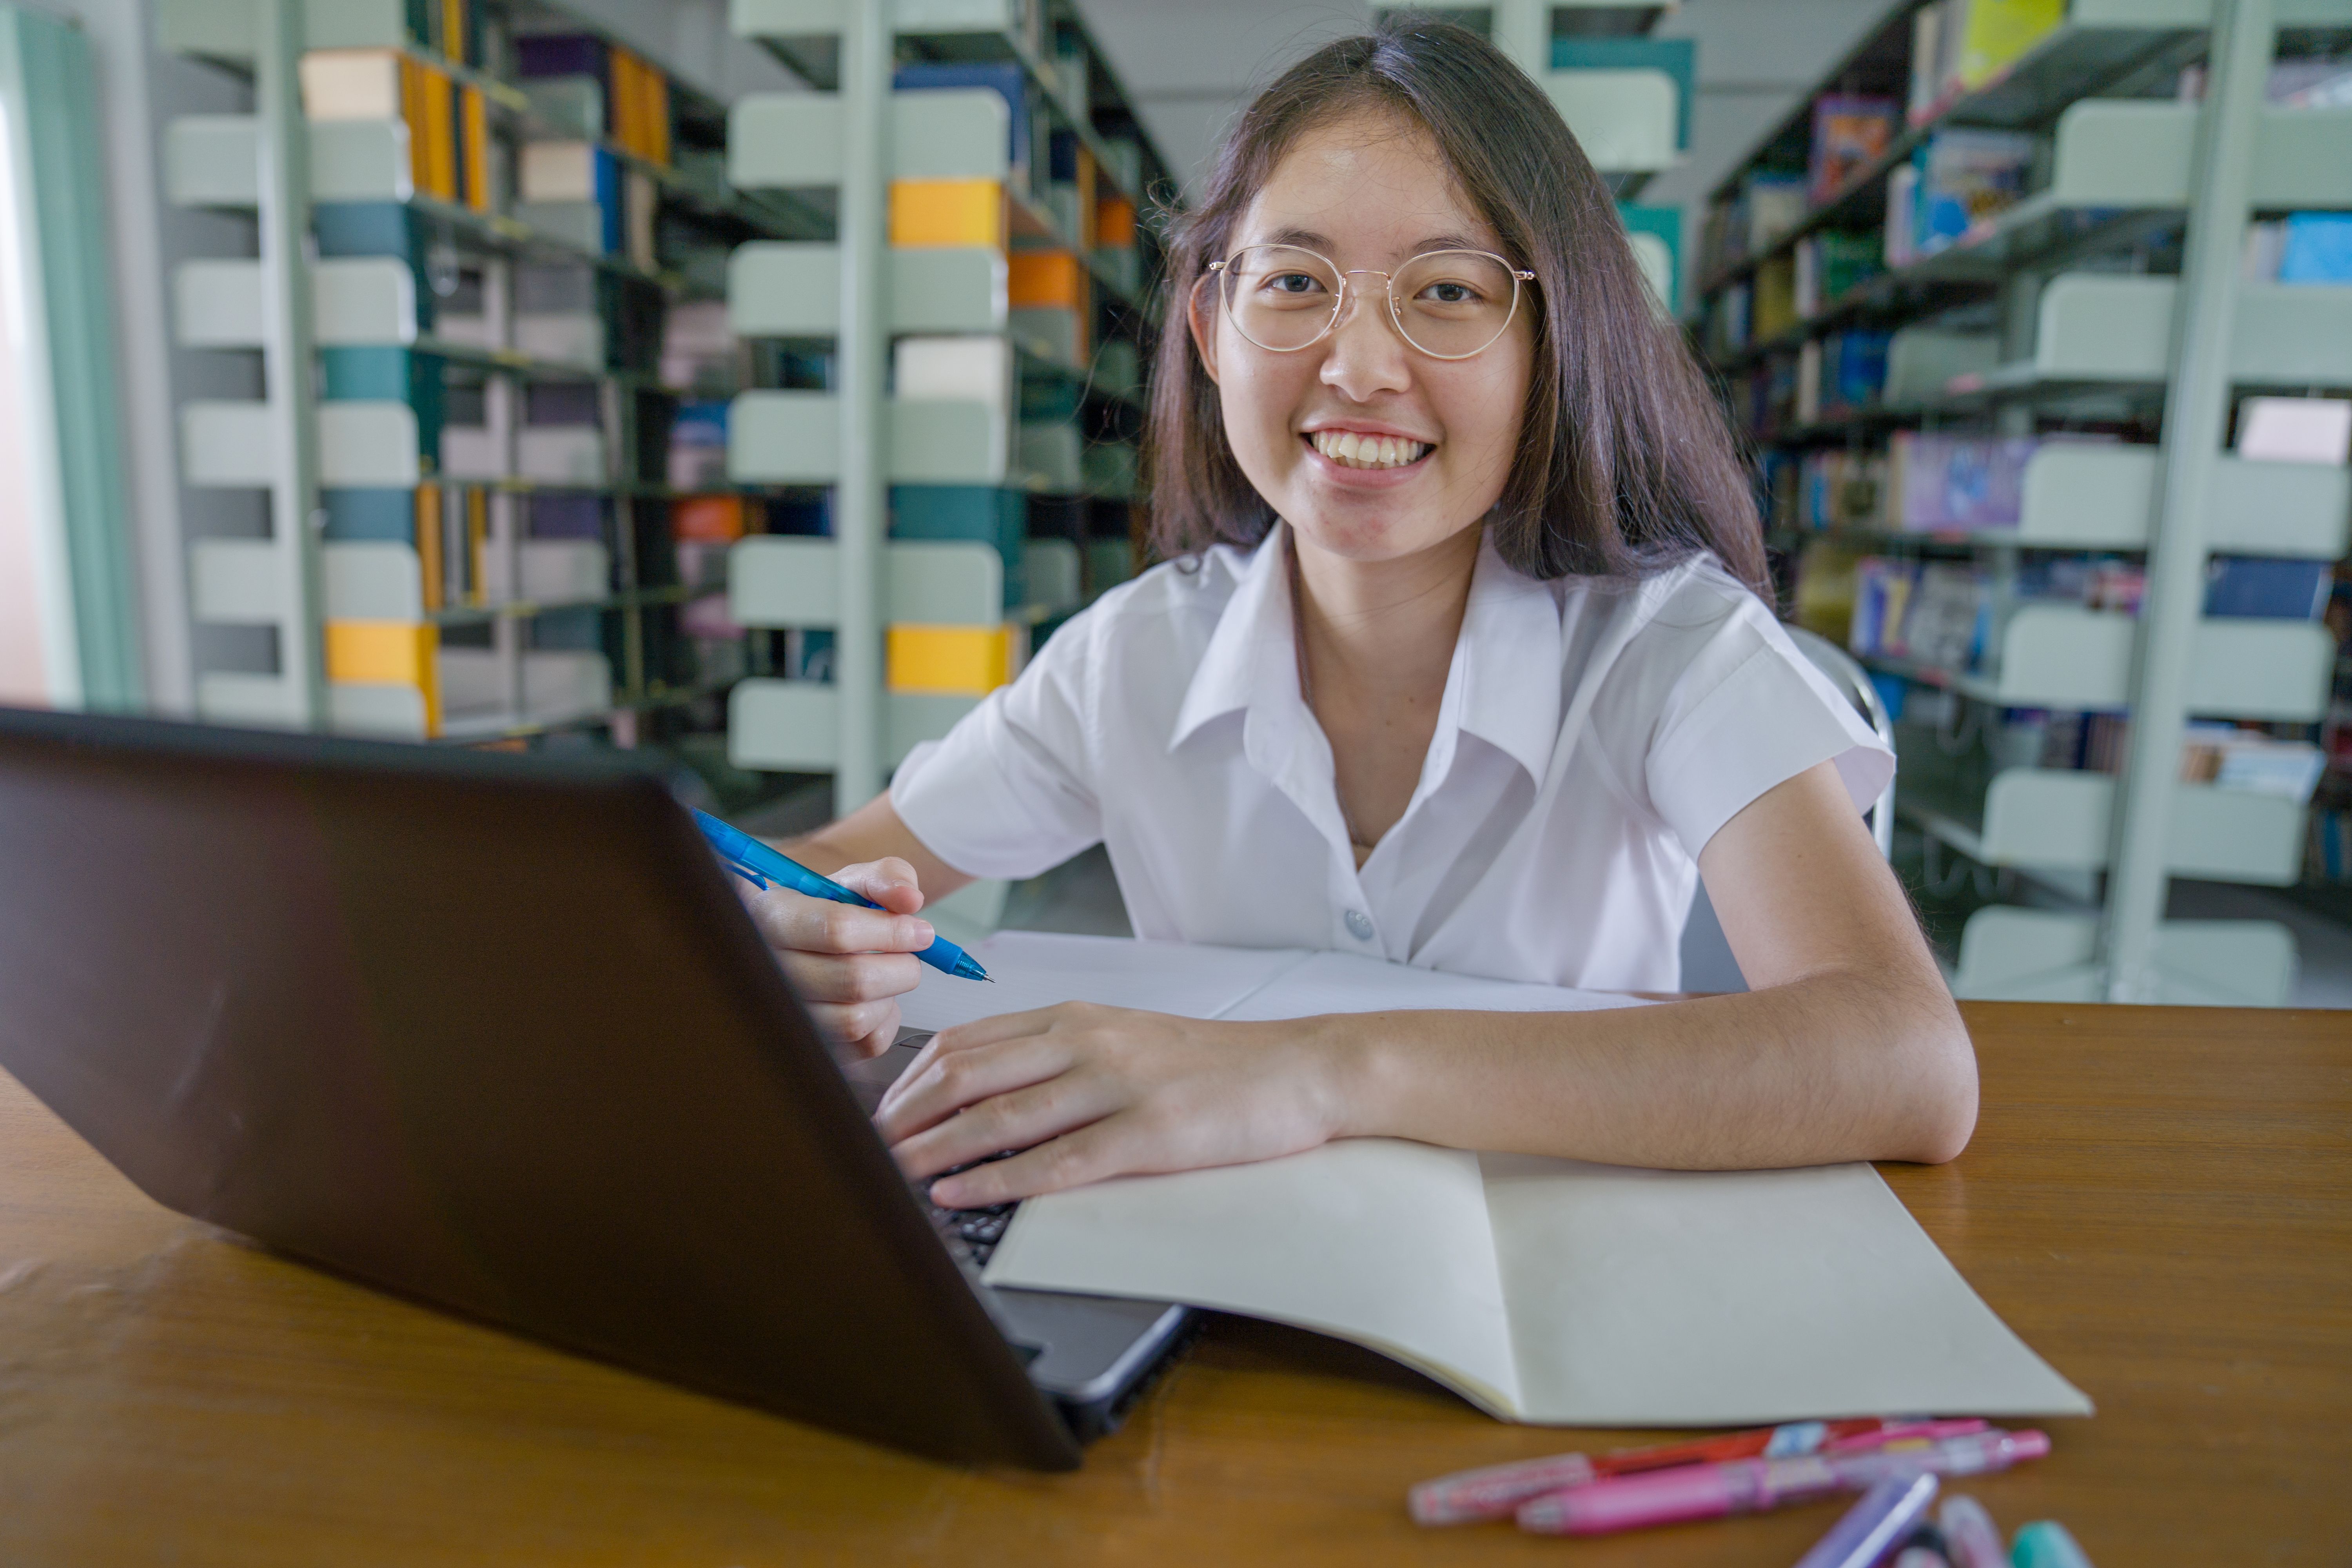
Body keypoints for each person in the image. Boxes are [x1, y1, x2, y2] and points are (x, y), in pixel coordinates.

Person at [737, 17, 1975, 1209]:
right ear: (1213, 328)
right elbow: (838, 866)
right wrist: (802, 925)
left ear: (1553, 345)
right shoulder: (1136, 654)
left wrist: (1326, 1069)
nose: (1360, 366)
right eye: (1294, 281)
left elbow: (1903, 1057)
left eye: (1446, 292)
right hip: (1218, 1264)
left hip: (1560, 1258)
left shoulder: (1670, 649)